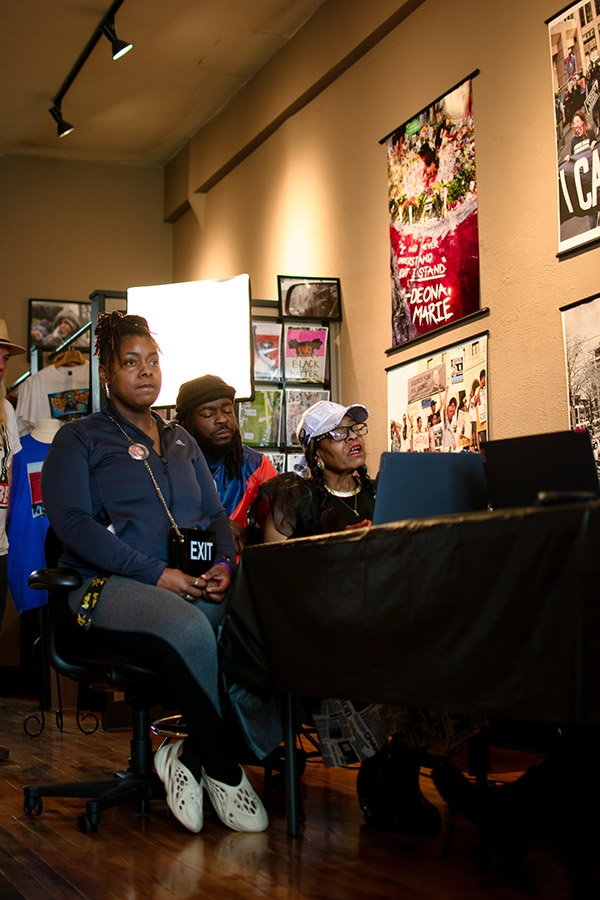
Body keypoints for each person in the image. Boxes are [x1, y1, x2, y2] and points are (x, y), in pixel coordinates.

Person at [41, 311, 267, 835]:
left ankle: (184, 756)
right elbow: (73, 525)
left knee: (266, 616)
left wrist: (224, 566)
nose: (145, 371)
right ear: (106, 372)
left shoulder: (183, 442)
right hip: (100, 590)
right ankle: (225, 770)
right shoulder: (79, 439)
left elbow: (215, 518)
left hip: (190, 582)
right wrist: (156, 574)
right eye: (130, 362)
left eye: (152, 361)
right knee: (187, 625)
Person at [254, 400, 482, 836]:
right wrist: (339, 545)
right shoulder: (295, 497)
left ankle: (404, 769)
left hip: (391, 613)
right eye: (338, 433)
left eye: (356, 428)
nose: (353, 438)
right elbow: (274, 573)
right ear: (315, 450)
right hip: (327, 625)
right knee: (375, 655)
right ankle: (379, 769)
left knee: (444, 644)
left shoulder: (384, 492)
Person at [175, 375, 277, 554]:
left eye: (228, 411)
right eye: (208, 413)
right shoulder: (169, 464)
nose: (222, 419)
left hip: (238, 569)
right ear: (187, 422)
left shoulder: (257, 465)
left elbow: (275, 528)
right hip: (184, 567)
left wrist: (248, 535)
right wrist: (214, 528)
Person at [0, 319, 26, 762]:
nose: (4, 360)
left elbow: (13, 475)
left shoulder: (5, 410)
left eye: (6, 355)